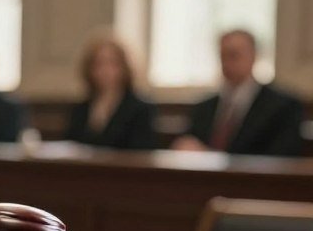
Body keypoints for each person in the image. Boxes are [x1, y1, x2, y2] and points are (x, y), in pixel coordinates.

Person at [174, 29, 304, 157]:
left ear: (253, 56)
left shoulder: (282, 107)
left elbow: (280, 157)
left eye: (233, 55)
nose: (227, 63)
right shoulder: (204, 107)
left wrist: (213, 157)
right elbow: (188, 144)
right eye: (222, 56)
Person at [65, 34, 156, 150]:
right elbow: (70, 146)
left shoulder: (139, 109)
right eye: (99, 64)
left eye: (112, 63)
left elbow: (142, 152)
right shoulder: (81, 109)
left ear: (125, 67)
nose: (105, 70)